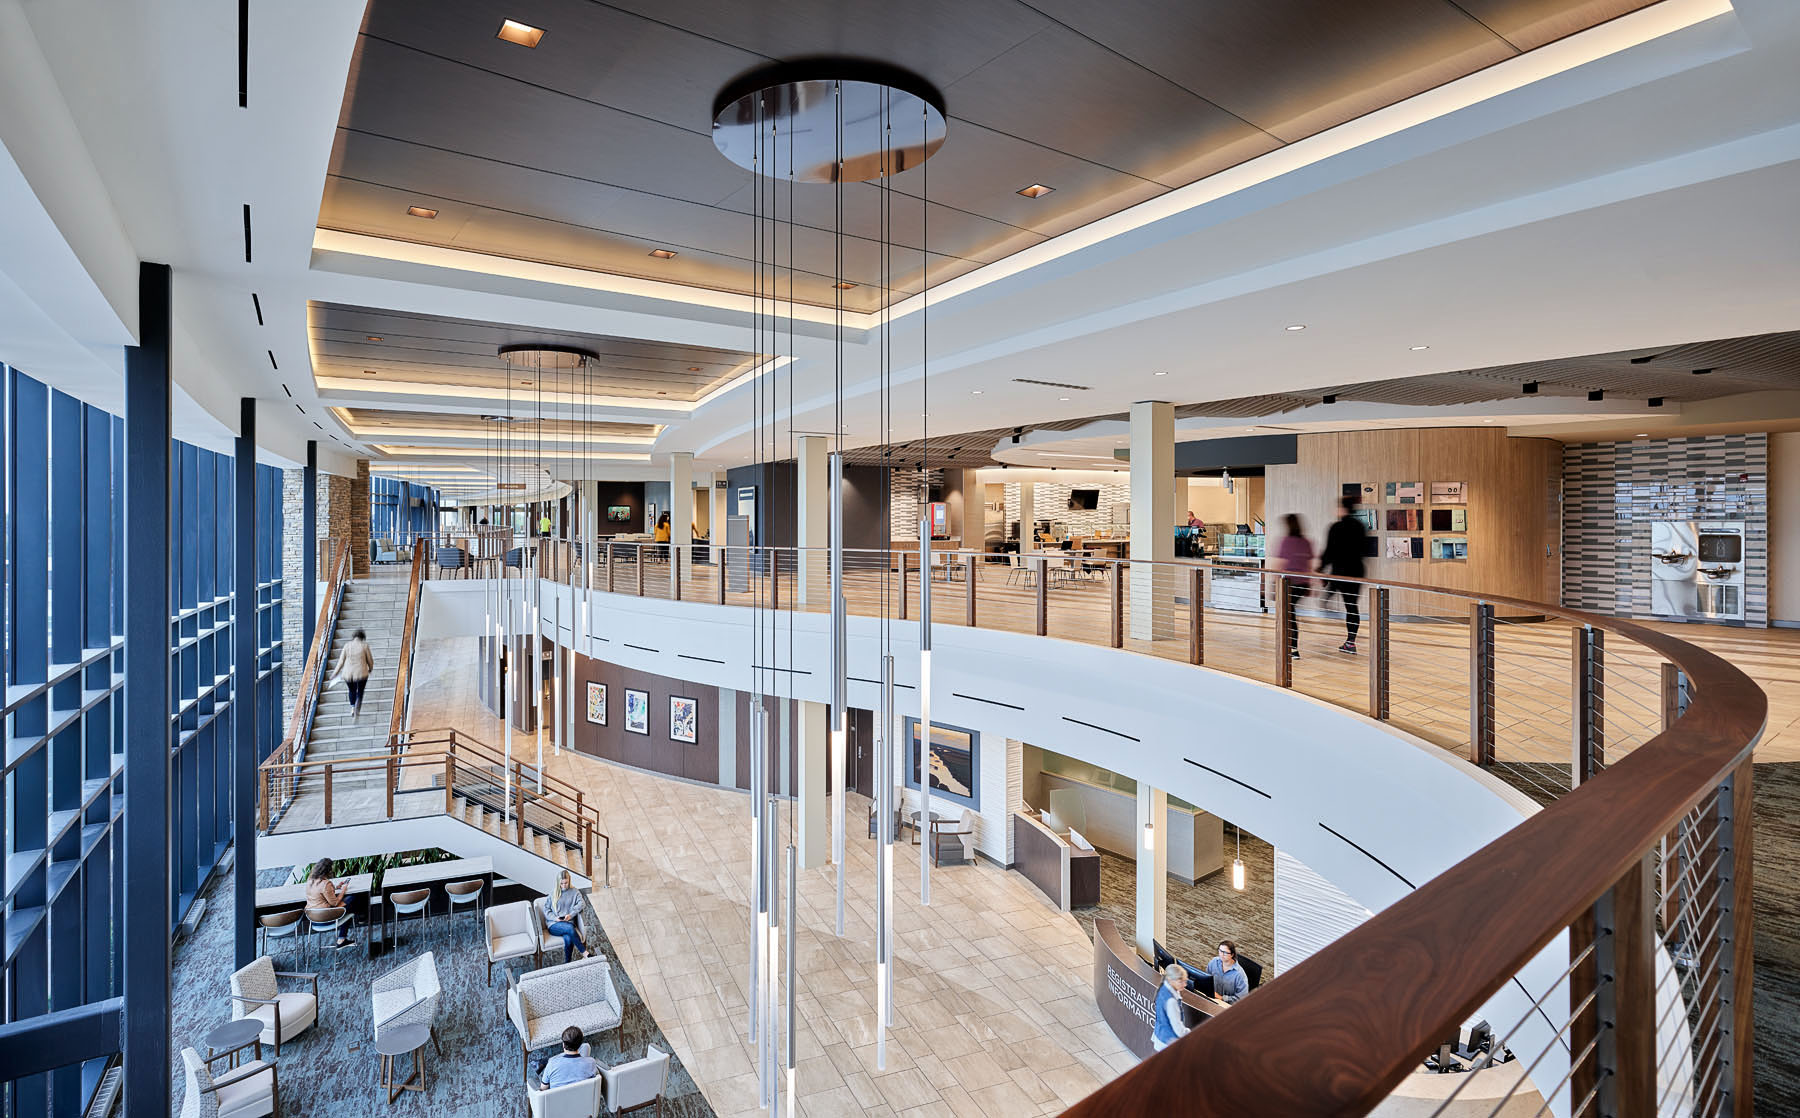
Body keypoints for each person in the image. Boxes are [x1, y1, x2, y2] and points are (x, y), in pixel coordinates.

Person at [1318, 496, 1369, 654]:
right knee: (1352, 606)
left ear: (1343, 509)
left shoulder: (1336, 527)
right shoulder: (1360, 526)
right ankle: (1350, 642)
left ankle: (1328, 602)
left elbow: (1329, 552)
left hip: (1339, 572)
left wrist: (1321, 569)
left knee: (1327, 600)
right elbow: (1363, 550)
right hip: (1356, 571)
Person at [1274, 514, 1314, 659]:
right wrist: (1309, 585)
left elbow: (1280, 565)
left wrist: (1274, 584)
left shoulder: (1286, 541)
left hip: (1289, 583)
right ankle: (1291, 647)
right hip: (1302, 583)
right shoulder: (1306, 542)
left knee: (1289, 616)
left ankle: (1293, 648)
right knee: (1290, 614)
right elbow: (1309, 565)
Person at [305, 857, 355, 949]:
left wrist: (336, 888)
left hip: (314, 920)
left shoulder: (310, 880)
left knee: (346, 906)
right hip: (326, 918)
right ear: (328, 870)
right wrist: (343, 890)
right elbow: (335, 903)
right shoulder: (326, 883)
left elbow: (320, 892)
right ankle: (341, 939)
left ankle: (342, 939)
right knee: (352, 899)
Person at [539, 870, 588, 963]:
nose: (564, 885)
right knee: (570, 928)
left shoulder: (574, 891)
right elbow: (546, 910)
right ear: (558, 883)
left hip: (568, 922)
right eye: (561, 883)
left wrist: (571, 914)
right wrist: (555, 918)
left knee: (569, 939)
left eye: (566, 883)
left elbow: (582, 904)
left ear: (569, 881)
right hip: (554, 925)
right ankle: (584, 952)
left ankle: (567, 963)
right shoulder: (553, 893)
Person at [331, 629, 374, 719]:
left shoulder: (347, 646)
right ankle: (357, 707)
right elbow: (370, 660)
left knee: (351, 690)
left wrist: (335, 673)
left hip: (348, 674)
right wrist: (370, 668)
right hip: (361, 673)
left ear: (354, 637)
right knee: (360, 691)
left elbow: (341, 661)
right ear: (362, 637)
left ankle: (353, 707)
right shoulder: (364, 646)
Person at [1152, 963, 1191, 1052]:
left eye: (1185, 981)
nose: (1184, 984)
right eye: (1180, 981)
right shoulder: (1171, 1001)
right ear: (1170, 980)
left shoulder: (1163, 989)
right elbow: (1178, 1029)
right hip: (1168, 1042)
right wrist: (1189, 1032)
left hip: (1160, 1036)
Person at [1204, 940, 1250, 1005]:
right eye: (1220, 951)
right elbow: (1205, 979)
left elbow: (1241, 999)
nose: (1222, 955)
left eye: (1225, 952)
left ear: (1232, 955)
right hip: (1211, 999)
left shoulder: (1240, 975)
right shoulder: (1214, 962)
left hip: (1228, 1006)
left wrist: (1221, 998)